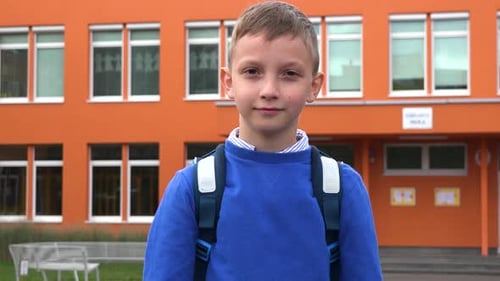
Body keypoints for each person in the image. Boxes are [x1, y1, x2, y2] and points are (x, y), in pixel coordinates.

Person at [143, 1, 383, 280]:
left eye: (289, 74)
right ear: (229, 82)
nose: (269, 90)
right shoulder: (190, 189)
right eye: (252, 72)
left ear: (313, 86)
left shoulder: (343, 189)